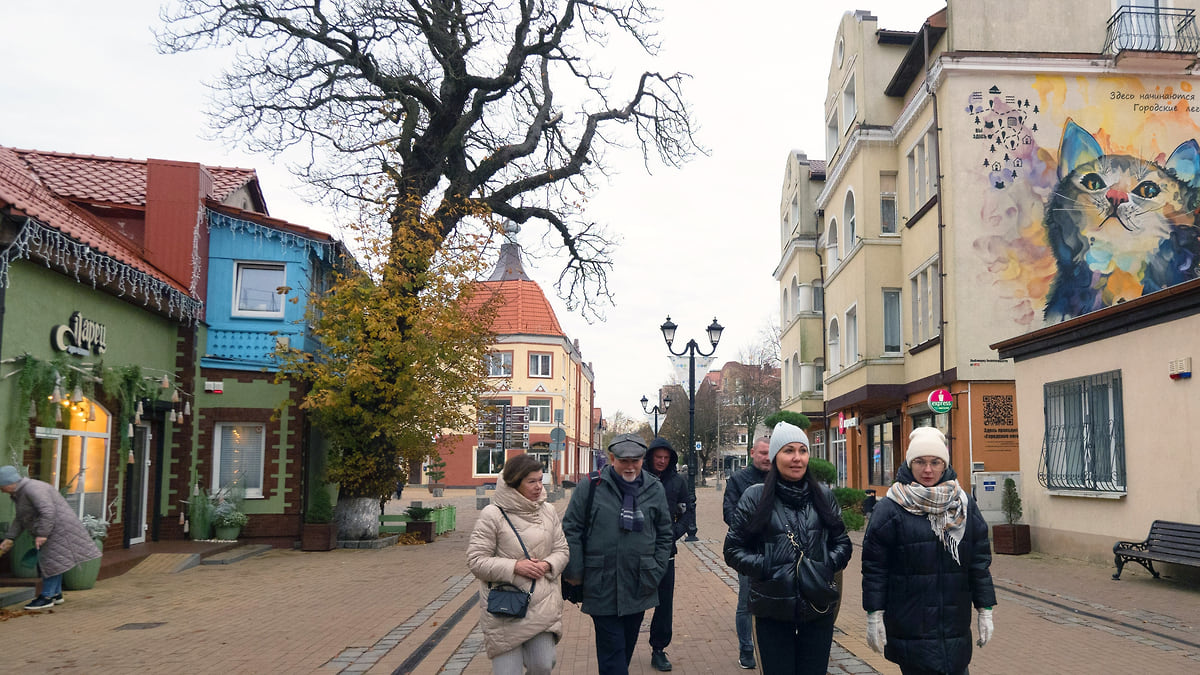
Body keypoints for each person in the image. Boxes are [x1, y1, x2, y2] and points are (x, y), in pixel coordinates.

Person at [861, 427, 997, 675]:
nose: (928, 470)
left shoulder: (963, 504)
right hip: (911, 624)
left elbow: (978, 562)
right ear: (909, 463)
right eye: (920, 462)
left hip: (954, 624)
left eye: (935, 462)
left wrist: (985, 609)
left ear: (944, 464)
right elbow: (875, 569)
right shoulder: (891, 508)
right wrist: (874, 613)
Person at [723, 422, 852, 675]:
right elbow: (733, 549)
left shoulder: (824, 496)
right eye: (788, 451)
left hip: (817, 608)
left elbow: (843, 543)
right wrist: (768, 565)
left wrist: (825, 565)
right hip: (771, 608)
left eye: (802, 451)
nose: (796, 458)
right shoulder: (755, 496)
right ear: (774, 457)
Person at [562, 433, 673, 675]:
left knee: (625, 647)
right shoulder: (591, 485)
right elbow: (571, 528)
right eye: (624, 460)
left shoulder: (654, 488)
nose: (630, 466)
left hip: (640, 581)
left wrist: (656, 570)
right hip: (601, 582)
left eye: (636, 460)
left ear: (643, 459)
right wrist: (576, 572)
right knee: (612, 651)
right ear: (612, 458)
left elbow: (665, 533)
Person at [467, 454, 570, 675]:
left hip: (542, 601)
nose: (538, 487)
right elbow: (476, 561)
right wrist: (515, 567)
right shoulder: (492, 515)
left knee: (543, 665)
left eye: (540, 480)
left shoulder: (548, 511)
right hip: (506, 606)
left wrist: (548, 565)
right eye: (531, 481)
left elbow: (562, 550)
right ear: (514, 483)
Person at [0, 465, 102, 610]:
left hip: (58, 530)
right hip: (55, 528)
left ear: (9, 483)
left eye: (1, 486)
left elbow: (48, 511)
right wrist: (10, 538)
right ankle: (56, 594)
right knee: (56, 561)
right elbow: (21, 517)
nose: (1, 490)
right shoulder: (22, 492)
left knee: (50, 562)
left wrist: (42, 534)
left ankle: (46, 597)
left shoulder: (32, 489)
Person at [644, 437, 696, 672]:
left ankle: (658, 648)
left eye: (666, 458)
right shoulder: (639, 478)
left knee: (664, 603)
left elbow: (688, 511)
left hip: (667, 551)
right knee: (635, 598)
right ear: (651, 457)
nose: (662, 461)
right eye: (658, 457)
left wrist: (673, 533)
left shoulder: (678, 482)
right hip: (639, 551)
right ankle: (623, 645)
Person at [722, 435, 771, 669]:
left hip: (779, 551)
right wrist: (750, 531)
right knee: (746, 602)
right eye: (762, 453)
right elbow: (729, 513)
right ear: (752, 453)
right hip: (749, 550)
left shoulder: (780, 478)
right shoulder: (738, 480)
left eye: (771, 453)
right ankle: (747, 649)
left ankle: (769, 645)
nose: (767, 457)